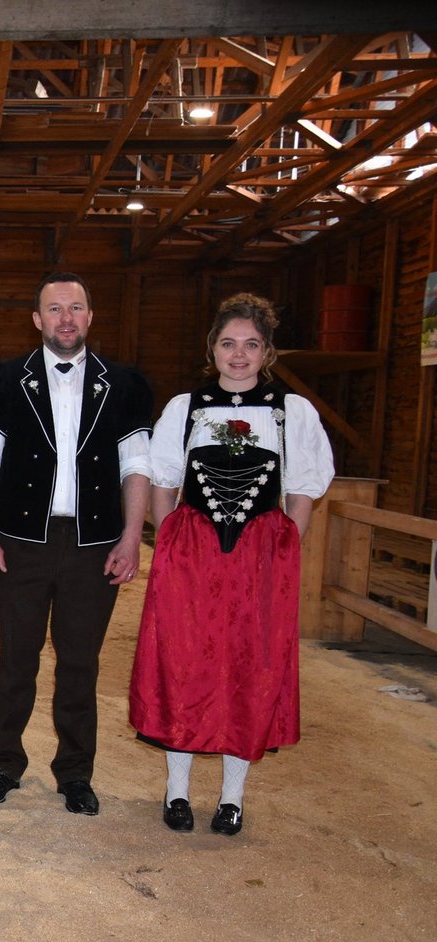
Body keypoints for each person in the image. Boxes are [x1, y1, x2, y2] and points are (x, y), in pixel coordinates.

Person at [129, 293, 334, 836]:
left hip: (260, 557)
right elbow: (163, 479)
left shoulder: (290, 412)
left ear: (267, 351)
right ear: (212, 349)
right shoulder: (186, 408)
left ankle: (232, 798)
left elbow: (303, 488)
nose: (238, 355)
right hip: (193, 553)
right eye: (228, 343)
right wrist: (170, 537)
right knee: (184, 662)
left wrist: (286, 548)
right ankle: (177, 790)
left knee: (251, 666)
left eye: (250, 345)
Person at [0, 272, 153, 816]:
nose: (65, 318)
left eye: (75, 308)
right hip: (21, 541)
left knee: (80, 664)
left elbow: (136, 466)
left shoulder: (126, 384)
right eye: (54, 309)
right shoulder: (4, 378)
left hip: (95, 544)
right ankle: (2, 766)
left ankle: (75, 773)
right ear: (37, 319)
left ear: (90, 317)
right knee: (15, 660)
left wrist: (132, 538)